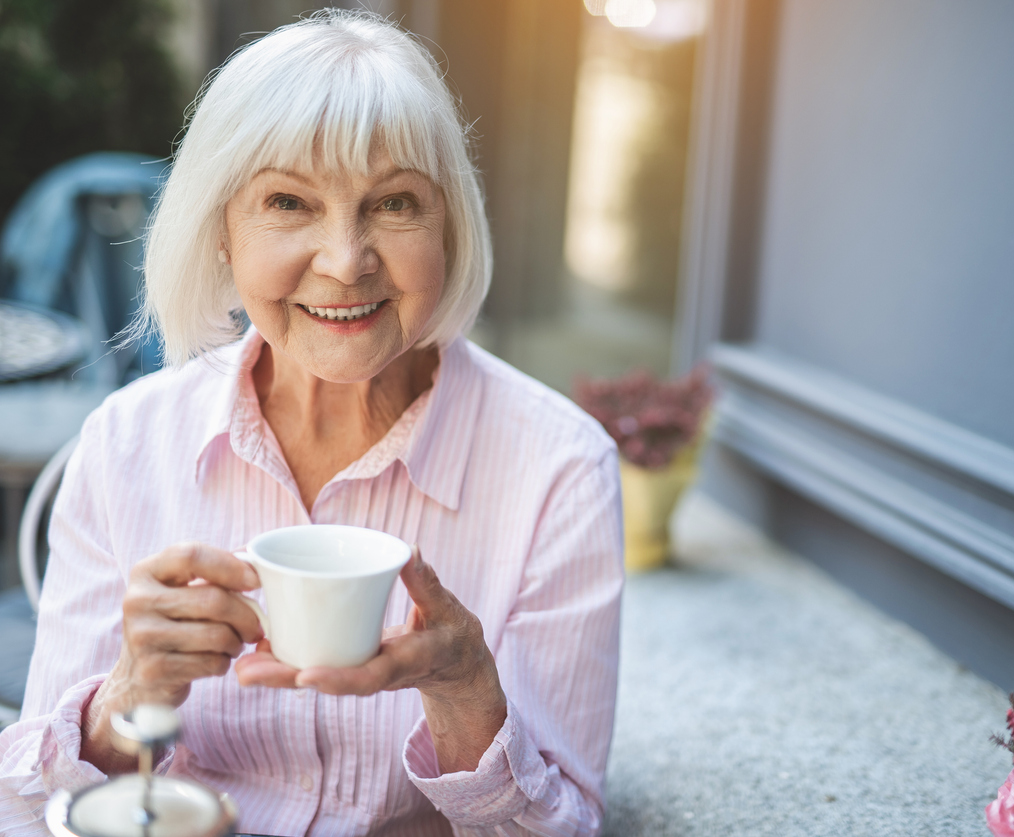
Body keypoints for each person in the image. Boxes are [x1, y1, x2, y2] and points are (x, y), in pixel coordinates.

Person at [0, 11, 623, 837]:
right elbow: (28, 812)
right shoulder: (127, 442)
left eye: (395, 202)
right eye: (288, 201)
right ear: (222, 230)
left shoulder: (561, 468)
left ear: (450, 227)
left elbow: (564, 827)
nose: (345, 259)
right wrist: (127, 694)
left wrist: (466, 692)